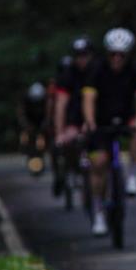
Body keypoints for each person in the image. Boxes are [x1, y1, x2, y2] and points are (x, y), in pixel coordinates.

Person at [81, 27, 136, 236]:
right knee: (99, 163)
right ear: (107, 52)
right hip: (101, 121)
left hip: (125, 117)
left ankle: (133, 177)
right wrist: (90, 122)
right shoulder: (96, 69)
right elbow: (88, 98)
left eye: (122, 54)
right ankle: (98, 211)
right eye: (113, 53)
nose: (117, 58)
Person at [53, 39, 94, 196]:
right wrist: (59, 133)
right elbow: (60, 106)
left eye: (85, 55)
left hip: (98, 118)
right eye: (78, 55)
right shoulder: (68, 75)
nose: (81, 59)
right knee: (67, 141)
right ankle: (72, 168)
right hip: (75, 118)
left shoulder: (99, 70)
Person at [17, 82, 48, 174]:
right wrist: (26, 126)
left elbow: (48, 114)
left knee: (42, 138)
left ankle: (43, 152)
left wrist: (45, 125)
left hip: (41, 122)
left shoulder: (46, 101)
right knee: (24, 136)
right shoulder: (25, 100)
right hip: (29, 122)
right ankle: (24, 149)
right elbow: (21, 115)